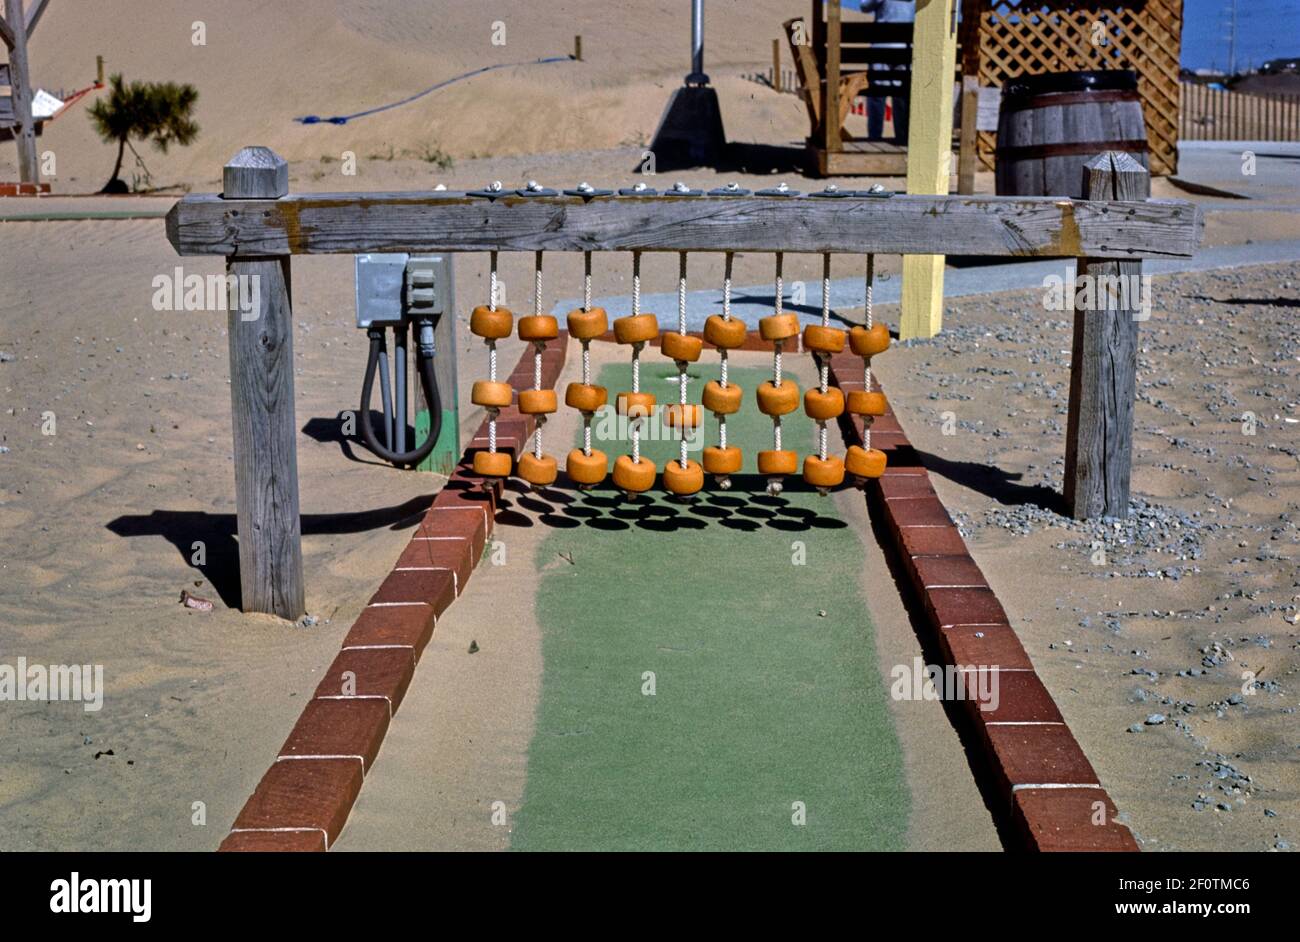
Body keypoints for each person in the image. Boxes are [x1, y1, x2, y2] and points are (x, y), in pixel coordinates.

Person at [859, 0, 915, 141]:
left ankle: (874, 136)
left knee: (877, 94)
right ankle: (902, 137)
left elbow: (864, 6)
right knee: (901, 95)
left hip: (881, 47)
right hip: (905, 49)